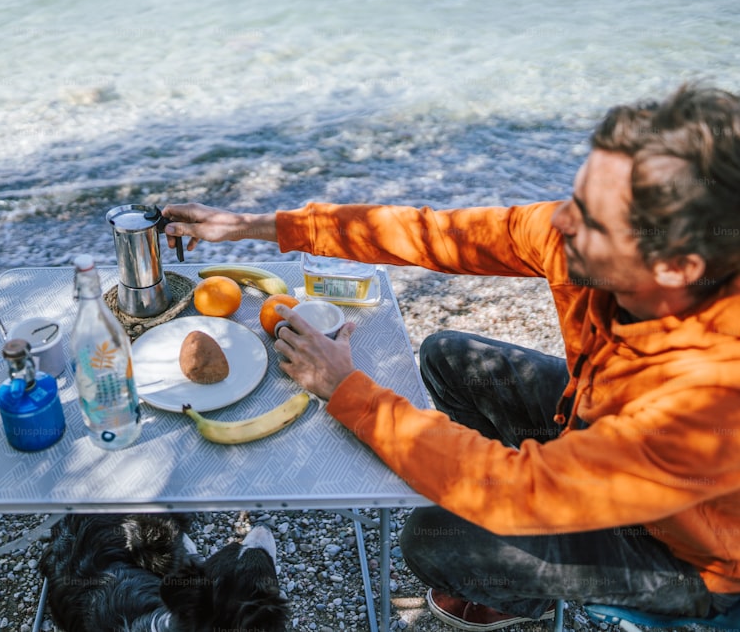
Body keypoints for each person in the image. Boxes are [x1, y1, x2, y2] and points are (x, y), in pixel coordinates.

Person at [161, 83, 740, 630]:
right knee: (445, 356)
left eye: (589, 219)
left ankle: (522, 591)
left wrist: (347, 391)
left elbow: (520, 492)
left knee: (432, 538)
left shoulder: (706, 395)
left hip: (690, 555)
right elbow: (437, 233)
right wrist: (259, 225)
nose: (559, 222)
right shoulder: (589, 245)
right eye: (575, 195)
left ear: (677, 267)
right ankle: (517, 546)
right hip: (595, 435)